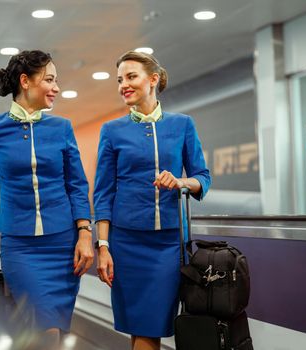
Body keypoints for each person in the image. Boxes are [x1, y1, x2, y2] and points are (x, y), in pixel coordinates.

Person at [0, 50, 94, 345]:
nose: (56, 87)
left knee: (51, 327)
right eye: (49, 80)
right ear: (25, 81)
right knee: (45, 327)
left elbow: (77, 184)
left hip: (64, 244)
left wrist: (84, 233)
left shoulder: (61, 128)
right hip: (21, 248)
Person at [93, 50, 211, 350]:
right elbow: (103, 193)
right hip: (125, 244)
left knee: (150, 326)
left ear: (153, 79)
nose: (123, 85)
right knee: (140, 328)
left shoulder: (182, 125)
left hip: (169, 244)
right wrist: (103, 247)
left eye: (131, 77)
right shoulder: (112, 131)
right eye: (120, 80)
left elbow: (202, 176)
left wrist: (181, 181)